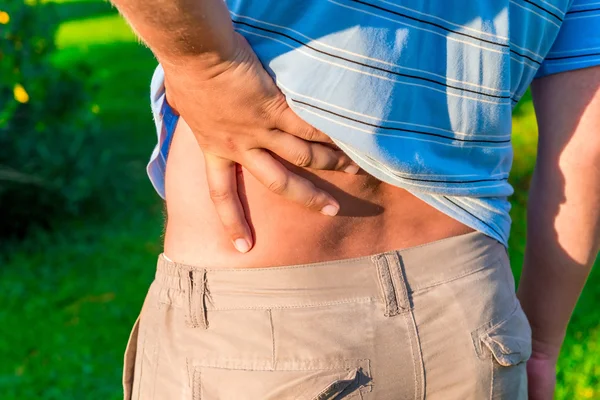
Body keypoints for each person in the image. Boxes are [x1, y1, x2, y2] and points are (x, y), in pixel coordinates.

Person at [111, 0, 600, 399]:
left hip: (263, 328)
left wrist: (207, 66)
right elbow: (586, 150)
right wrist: (540, 348)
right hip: (469, 315)